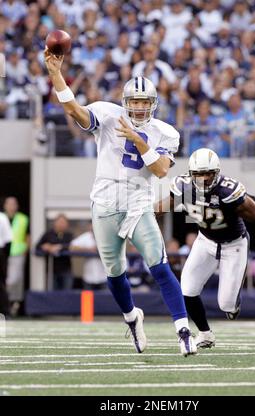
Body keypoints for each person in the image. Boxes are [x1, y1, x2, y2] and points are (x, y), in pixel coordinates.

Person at [44, 48, 196, 356]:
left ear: (153, 104)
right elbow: (74, 110)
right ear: (125, 103)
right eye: (135, 102)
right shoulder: (108, 114)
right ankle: (131, 317)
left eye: (144, 102)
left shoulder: (164, 132)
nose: (139, 108)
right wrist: (56, 74)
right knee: (114, 272)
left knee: (159, 264)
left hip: (137, 200)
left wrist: (139, 139)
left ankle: (183, 331)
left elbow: (161, 170)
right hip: (104, 200)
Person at [159, 148, 255, 349]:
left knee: (227, 306)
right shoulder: (183, 187)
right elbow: (164, 206)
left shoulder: (228, 190)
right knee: (187, 289)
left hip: (233, 245)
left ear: (217, 172)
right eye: (200, 174)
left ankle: (234, 299)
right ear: (191, 174)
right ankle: (206, 334)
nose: (205, 178)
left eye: (209, 173)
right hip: (205, 241)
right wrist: (143, 217)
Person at [3, 196, 29, 316]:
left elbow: (27, 235)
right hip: (3, 253)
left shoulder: (23, 219)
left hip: (17, 252)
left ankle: (13, 302)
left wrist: (25, 249)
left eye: (14, 204)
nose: (11, 206)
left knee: (14, 279)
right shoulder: (2, 218)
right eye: (9, 204)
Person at [35, 214, 74, 290]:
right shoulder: (48, 234)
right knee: (52, 292)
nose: (61, 224)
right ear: (55, 223)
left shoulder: (69, 235)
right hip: (51, 270)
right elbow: (38, 247)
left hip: (66, 269)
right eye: (60, 222)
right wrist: (47, 247)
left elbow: (73, 246)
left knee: (67, 293)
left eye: (64, 222)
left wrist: (60, 247)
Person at [70, 223, 107, 290]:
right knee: (87, 300)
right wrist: (88, 249)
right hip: (88, 277)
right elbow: (72, 247)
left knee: (104, 299)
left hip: (104, 277)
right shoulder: (86, 236)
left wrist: (100, 249)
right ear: (89, 226)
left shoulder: (106, 236)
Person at [0, 212, 12, 317]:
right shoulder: (3, 217)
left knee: (1, 283)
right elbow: (8, 240)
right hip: (1, 253)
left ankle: (4, 311)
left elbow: (8, 240)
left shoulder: (2, 217)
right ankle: (5, 311)